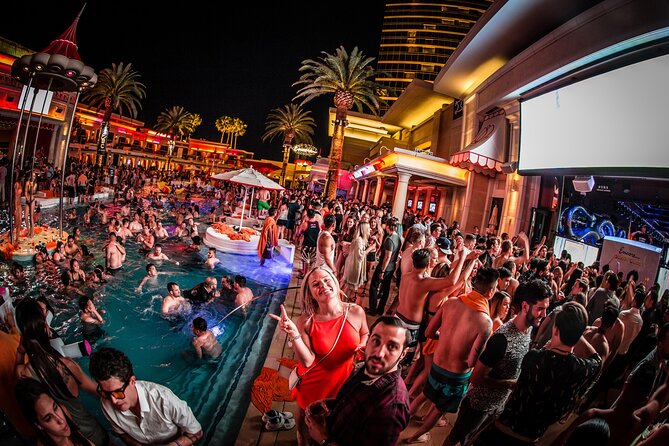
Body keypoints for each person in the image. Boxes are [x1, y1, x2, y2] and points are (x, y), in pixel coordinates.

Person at [473, 302, 602, 445]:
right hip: (530, 440)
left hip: (502, 431)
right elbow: (597, 360)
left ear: (556, 330)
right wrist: (577, 333)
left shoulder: (535, 357)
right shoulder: (582, 368)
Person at [269, 267, 369, 446]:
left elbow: (365, 332)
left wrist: (362, 344)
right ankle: (301, 435)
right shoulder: (306, 321)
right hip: (314, 380)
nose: (323, 285)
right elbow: (307, 361)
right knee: (305, 410)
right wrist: (294, 334)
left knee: (333, 415)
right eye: (316, 284)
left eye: (326, 279)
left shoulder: (356, 311)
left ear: (335, 281)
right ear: (310, 294)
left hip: (343, 378)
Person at [444, 279, 551, 446]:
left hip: (498, 405)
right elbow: (476, 378)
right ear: (525, 306)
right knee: (455, 438)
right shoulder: (502, 339)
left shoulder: (529, 328)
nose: (544, 315)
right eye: (540, 309)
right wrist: (509, 384)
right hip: (479, 406)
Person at [406, 267, 500, 444]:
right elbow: (471, 361)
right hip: (456, 376)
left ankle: (400, 422)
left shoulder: (451, 303)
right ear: (490, 291)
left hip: (437, 364)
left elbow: (429, 332)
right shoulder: (485, 322)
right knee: (439, 410)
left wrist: (446, 338)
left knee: (424, 395)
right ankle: (415, 437)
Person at [14, 299, 108, 446]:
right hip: (92, 433)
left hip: (65, 441)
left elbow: (17, 367)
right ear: (46, 327)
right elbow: (98, 392)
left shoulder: (24, 375)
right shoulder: (67, 365)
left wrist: (20, 352)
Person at [304, 316, 411, 446]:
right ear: (368, 339)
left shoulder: (391, 409)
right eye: (376, 341)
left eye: (392, 346)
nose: (379, 354)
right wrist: (332, 404)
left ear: (403, 354)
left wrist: (323, 439)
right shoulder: (366, 367)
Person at [89, 347, 202, 446]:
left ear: (132, 381)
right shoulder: (106, 403)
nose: (113, 401)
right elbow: (122, 433)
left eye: (117, 392)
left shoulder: (163, 399)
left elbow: (197, 432)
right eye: (106, 393)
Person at [15, 377, 95, 446]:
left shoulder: (64, 412)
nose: (61, 420)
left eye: (55, 407)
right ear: (39, 425)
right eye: (48, 418)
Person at [368, 218, 401, 316]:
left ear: (388, 227)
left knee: (374, 287)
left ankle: (372, 309)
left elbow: (387, 257)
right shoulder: (398, 238)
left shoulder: (390, 240)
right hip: (391, 267)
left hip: (385, 267)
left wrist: (382, 270)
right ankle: (380, 310)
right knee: (385, 289)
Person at [297, 208, 320, 279]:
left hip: (306, 245)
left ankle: (304, 275)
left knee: (305, 260)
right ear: (314, 215)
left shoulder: (305, 224)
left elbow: (299, 233)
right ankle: (310, 275)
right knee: (312, 261)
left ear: (307, 215)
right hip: (315, 245)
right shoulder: (317, 224)